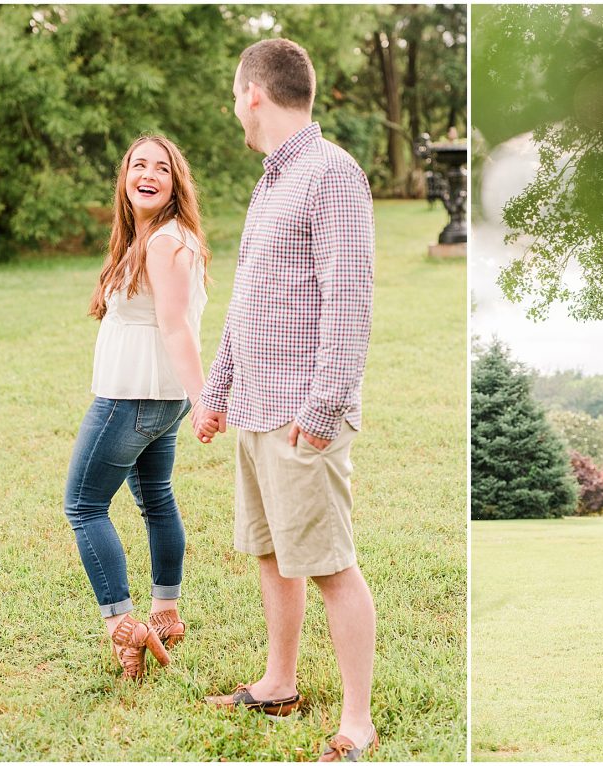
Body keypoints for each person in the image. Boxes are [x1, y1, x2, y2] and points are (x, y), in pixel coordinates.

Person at [192, 39, 377, 761]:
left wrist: (322, 410)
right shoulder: (272, 180)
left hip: (304, 416)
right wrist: (216, 392)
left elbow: (349, 302)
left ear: (253, 94)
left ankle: (356, 721)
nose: (235, 106)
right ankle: (279, 684)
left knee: (330, 564)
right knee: (271, 555)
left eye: (235, 95)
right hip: (257, 408)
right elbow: (248, 302)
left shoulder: (331, 173)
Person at [64, 135, 210, 680]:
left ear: (176, 184)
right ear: (125, 177)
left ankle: (125, 628)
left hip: (134, 393)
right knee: (155, 497)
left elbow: (176, 327)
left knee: (82, 505)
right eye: (138, 165)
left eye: (162, 168)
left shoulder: (163, 242)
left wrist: (203, 401)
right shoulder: (155, 236)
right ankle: (167, 613)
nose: (148, 174)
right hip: (156, 395)